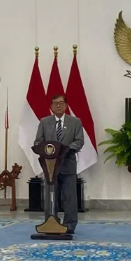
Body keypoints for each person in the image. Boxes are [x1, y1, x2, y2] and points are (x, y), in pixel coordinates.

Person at [34, 94, 84, 234]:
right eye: (55, 103)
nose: (58, 105)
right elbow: (38, 142)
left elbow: (79, 141)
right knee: (51, 196)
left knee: (70, 197)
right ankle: (51, 222)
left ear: (66, 105)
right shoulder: (44, 122)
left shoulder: (75, 122)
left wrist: (65, 150)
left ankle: (70, 225)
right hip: (50, 168)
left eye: (61, 103)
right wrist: (45, 150)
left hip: (68, 165)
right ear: (51, 106)